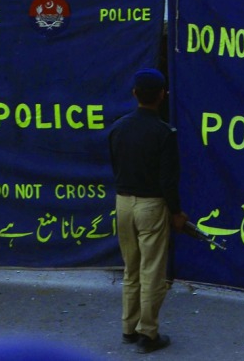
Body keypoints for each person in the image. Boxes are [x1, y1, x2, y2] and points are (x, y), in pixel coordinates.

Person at [107, 67, 187, 354]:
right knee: (152, 271)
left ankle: (129, 328)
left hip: (123, 203)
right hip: (151, 206)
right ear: (162, 95)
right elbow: (168, 180)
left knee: (131, 269)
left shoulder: (118, 128)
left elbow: (116, 166)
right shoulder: (164, 133)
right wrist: (176, 213)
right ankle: (148, 334)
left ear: (134, 94)